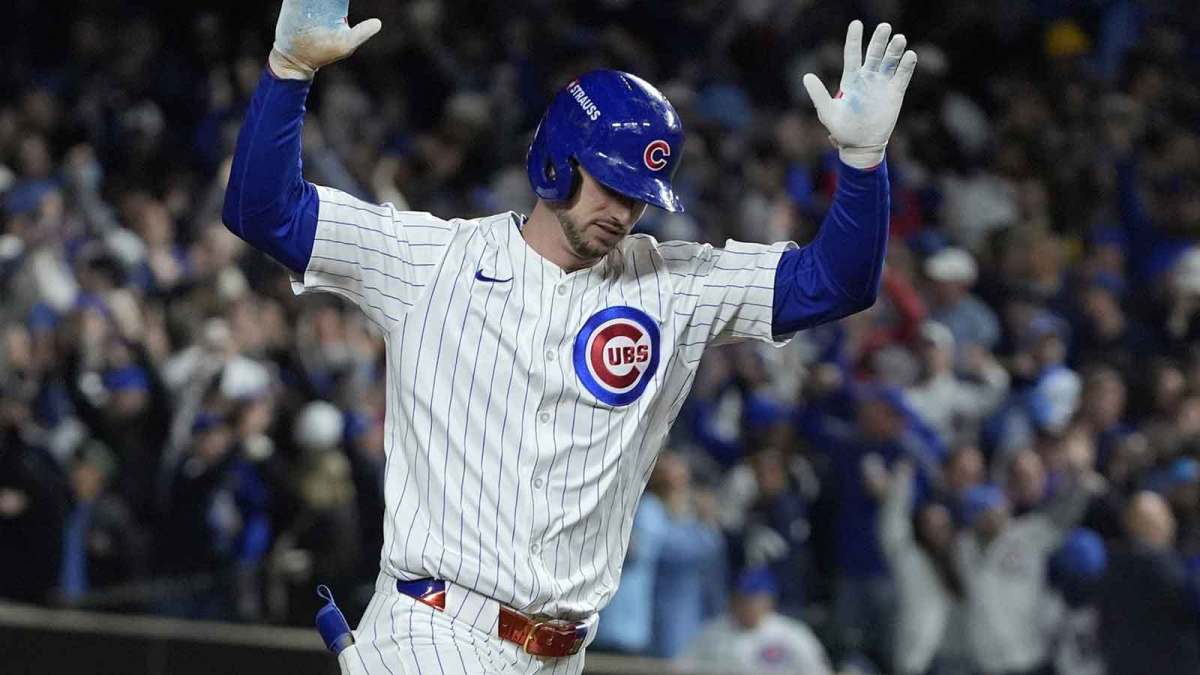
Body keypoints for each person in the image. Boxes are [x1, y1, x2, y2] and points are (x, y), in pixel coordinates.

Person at [222, 1, 917, 672]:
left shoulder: (675, 287)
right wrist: (289, 72)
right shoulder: (429, 260)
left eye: (639, 194)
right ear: (557, 158)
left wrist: (861, 164)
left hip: (563, 652)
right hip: (434, 630)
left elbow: (837, 284)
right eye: (609, 185)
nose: (623, 210)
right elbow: (264, 210)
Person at [1099, 491, 1200, 675]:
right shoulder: (1170, 571)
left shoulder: (1111, 566)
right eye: (1165, 515)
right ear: (1155, 523)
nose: (1171, 521)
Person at [680, 567, 833, 675]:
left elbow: (817, 671)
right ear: (733, 601)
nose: (748, 606)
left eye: (754, 600)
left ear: (769, 602)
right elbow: (682, 668)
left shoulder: (792, 634)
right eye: (742, 599)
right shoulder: (712, 632)